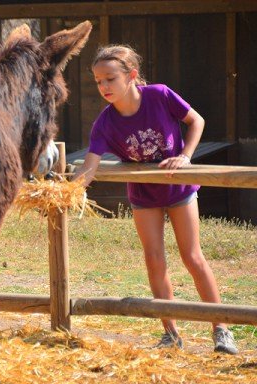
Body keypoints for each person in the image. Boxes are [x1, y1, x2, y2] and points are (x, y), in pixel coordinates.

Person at [73, 44, 237, 354]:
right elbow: (89, 166)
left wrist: (186, 157)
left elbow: (196, 121)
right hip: (144, 194)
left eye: (110, 78)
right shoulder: (105, 123)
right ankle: (171, 334)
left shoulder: (159, 95)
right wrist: (68, 189)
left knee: (192, 257)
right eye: (98, 81)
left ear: (131, 75)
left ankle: (221, 328)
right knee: (154, 259)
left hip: (179, 190)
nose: (103, 87)